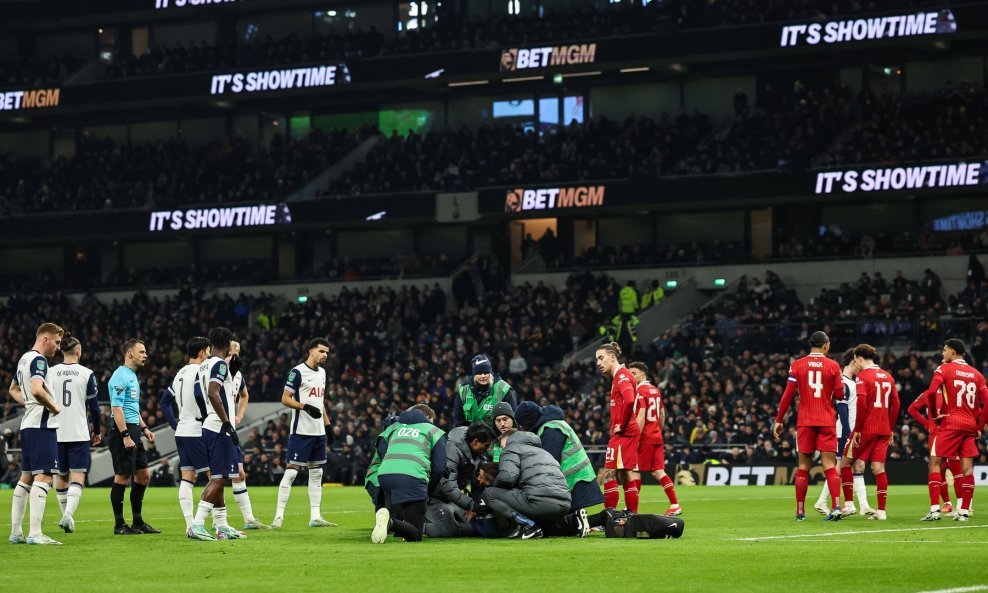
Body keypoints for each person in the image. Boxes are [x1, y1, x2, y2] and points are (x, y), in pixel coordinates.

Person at [773, 331, 845, 521]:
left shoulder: (797, 365)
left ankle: (800, 512)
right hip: (826, 420)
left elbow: (787, 395)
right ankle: (837, 506)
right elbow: (839, 395)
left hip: (805, 421)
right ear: (826, 345)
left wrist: (779, 420)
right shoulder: (833, 366)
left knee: (803, 467)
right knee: (829, 465)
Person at [8, 322, 64, 545]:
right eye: (57, 342)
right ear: (45, 339)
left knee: (26, 477)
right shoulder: (39, 360)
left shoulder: (24, 359)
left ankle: (16, 533)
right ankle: (35, 533)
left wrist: (30, 404)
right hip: (42, 425)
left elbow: (13, 389)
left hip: (28, 425)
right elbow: (37, 389)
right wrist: (52, 406)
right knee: (45, 476)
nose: (58, 348)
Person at [921, 339, 988, 522]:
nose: (942, 354)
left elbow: (932, 391)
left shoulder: (943, 369)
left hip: (950, 422)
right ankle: (964, 511)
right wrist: (979, 427)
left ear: (952, 352)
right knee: (967, 470)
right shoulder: (977, 375)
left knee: (934, 463)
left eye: (944, 350)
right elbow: (987, 402)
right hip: (969, 426)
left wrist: (935, 414)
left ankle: (935, 510)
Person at [273, 338, 335, 528]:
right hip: (301, 431)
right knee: (292, 472)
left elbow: (320, 401)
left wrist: (328, 425)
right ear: (311, 351)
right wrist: (304, 407)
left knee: (317, 473)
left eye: (327, 352)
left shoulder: (323, 373)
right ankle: (278, 517)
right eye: (322, 351)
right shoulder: (297, 372)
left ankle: (315, 516)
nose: (325, 355)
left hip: (318, 433)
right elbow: (285, 398)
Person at [514, 401, 601, 537]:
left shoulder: (551, 429)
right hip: (577, 477)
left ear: (528, 421)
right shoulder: (552, 425)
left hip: (573, 480)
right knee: (565, 524)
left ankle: (599, 519)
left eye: (523, 424)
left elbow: (549, 462)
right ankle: (596, 520)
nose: (523, 428)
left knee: (559, 526)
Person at [189, 327, 244, 541]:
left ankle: (222, 526)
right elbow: (213, 392)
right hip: (220, 427)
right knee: (220, 477)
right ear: (229, 343)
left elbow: (205, 392)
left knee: (220, 476)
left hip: (209, 425)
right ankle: (197, 523)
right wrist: (227, 423)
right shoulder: (220, 364)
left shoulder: (205, 365)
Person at [371, 404, 447, 544]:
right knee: (415, 534)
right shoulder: (434, 431)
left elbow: (381, 444)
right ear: (428, 418)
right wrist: (428, 490)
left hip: (385, 476)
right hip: (413, 477)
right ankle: (390, 523)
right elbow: (438, 468)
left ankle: (389, 522)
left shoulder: (394, 427)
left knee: (402, 513)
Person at [106, 339, 160, 535]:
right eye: (142, 351)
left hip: (134, 429)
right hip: (123, 430)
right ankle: (119, 525)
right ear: (129, 353)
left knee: (144, 476)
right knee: (122, 476)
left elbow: (131, 407)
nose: (145, 355)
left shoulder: (132, 375)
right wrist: (126, 435)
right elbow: (117, 408)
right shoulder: (120, 376)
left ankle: (137, 522)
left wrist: (144, 428)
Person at [50, 334, 101, 534]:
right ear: (78, 351)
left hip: (56, 432)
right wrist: (96, 431)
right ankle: (68, 515)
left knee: (61, 477)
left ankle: (67, 517)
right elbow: (95, 409)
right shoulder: (86, 373)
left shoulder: (51, 372)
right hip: (78, 432)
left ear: (62, 350)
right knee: (78, 476)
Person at [160, 336, 211, 535]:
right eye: (207, 351)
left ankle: (190, 525)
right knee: (213, 476)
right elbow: (199, 394)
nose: (208, 355)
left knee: (187, 477)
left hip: (182, 431)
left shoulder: (180, 373)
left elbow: (165, 402)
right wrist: (207, 417)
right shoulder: (201, 371)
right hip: (197, 430)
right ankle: (215, 523)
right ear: (201, 353)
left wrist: (175, 423)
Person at [480, 428, 570, 539]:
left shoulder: (511, 448)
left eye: (503, 445)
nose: (503, 449)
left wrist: (497, 489)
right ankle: (572, 520)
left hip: (541, 503)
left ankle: (529, 526)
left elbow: (507, 478)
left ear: (510, 440)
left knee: (489, 493)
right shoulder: (545, 452)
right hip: (565, 505)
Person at [814, 348, 872, 517]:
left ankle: (861, 505)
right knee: (840, 467)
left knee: (855, 466)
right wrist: (848, 433)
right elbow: (842, 410)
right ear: (854, 361)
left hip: (852, 431)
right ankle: (825, 501)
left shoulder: (852, 382)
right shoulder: (843, 382)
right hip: (844, 432)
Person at [848, 344, 899, 521]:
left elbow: (861, 404)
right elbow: (897, 404)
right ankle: (881, 511)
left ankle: (845, 505)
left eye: (856, 361)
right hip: (884, 429)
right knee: (878, 468)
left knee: (845, 462)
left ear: (860, 358)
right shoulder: (888, 376)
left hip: (868, 428)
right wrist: (890, 427)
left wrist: (857, 430)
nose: (856, 364)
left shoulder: (863, 376)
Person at [627, 361, 681, 517]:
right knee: (658, 472)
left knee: (634, 472)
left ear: (643, 375)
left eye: (634, 373)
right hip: (656, 436)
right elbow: (662, 414)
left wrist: (635, 437)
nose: (631, 376)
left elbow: (642, 416)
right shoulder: (655, 390)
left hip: (644, 437)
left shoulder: (639, 391)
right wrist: (657, 430)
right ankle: (675, 505)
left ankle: (632, 511)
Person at [225, 340, 268, 530]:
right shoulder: (217, 370)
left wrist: (240, 415)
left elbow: (244, 395)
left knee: (239, 473)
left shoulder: (238, 374)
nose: (235, 353)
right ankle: (212, 520)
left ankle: (249, 519)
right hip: (214, 427)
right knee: (215, 476)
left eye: (238, 350)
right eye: (232, 349)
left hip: (229, 429)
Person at [595, 342, 641, 514]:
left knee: (608, 473)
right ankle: (631, 512)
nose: (598, 363)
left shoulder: (622, 376)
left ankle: (609, 514)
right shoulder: (619, 376)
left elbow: (629, 400)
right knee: (624, 474)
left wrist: (621, 424)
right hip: (627, 432)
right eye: (597, 360)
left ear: (612, 357)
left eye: (601, 358)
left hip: (624, 432)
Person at [909, 378, 964, 517]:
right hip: (949, 435)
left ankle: (948, 507)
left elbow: (912, 409)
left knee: (939, 468)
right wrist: (926, 423)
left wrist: (927, 424)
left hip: (941, 435)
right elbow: (912, 409)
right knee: (950, 468)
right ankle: (956, 506)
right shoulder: (950, 394)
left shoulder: (930, 393)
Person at [439, 422, 495, 517]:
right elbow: (448, 485)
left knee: (467, 527)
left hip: (453, 496)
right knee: (460, 529)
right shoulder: (452, 451)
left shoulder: (477, 451)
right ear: (475, 442)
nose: (489, 449)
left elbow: (477, 478)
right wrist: (472, 505)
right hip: (438, 496)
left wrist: (478, 500)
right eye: (486, 445)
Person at [451, 354, 518, 428]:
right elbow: (458, 422)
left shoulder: (504, 390)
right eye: (479, 373)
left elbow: (513, 420)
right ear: (474, 375)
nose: (483, 376)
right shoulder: (463, 391)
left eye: (486, 372)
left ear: (490, 373)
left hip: (498, 437)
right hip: (470, 438)